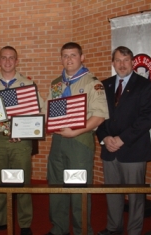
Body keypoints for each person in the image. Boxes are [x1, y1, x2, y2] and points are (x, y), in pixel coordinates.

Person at [44, 42, 109, 235]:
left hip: (79, 142)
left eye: (73, 55)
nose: (69, 59)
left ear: (82, 57)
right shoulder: (56, 83)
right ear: (61, 58)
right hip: (57, 142)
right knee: (56, 185)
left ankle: (82, 230)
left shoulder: (92, 82)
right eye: (65, 55)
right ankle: (59, 228)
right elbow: (48, 111)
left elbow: (99, 115)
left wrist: (75, 132)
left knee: (79, 188)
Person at [0, 46, 43, 235]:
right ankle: (0, 220)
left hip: (21, 141)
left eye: (11, 58)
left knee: (22, 182)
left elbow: (39, 112)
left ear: (17, 61)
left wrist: (25, 131)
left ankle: (24, 224)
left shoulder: (28, 84)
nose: (7, 61)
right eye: (4, 58)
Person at [96, 46, 151, 235]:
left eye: (126, 60)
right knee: (112, 194)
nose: (122, 64)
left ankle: (134, 231)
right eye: (118, 60)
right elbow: (98, 116)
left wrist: (121, 139)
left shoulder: (145, 86)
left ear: (132, 62)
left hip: (133, 149)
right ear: (113, 63)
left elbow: (147, 118)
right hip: (109, 149)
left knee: (135, 196)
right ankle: (114, 227)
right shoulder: (104, 85)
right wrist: (105, 137)